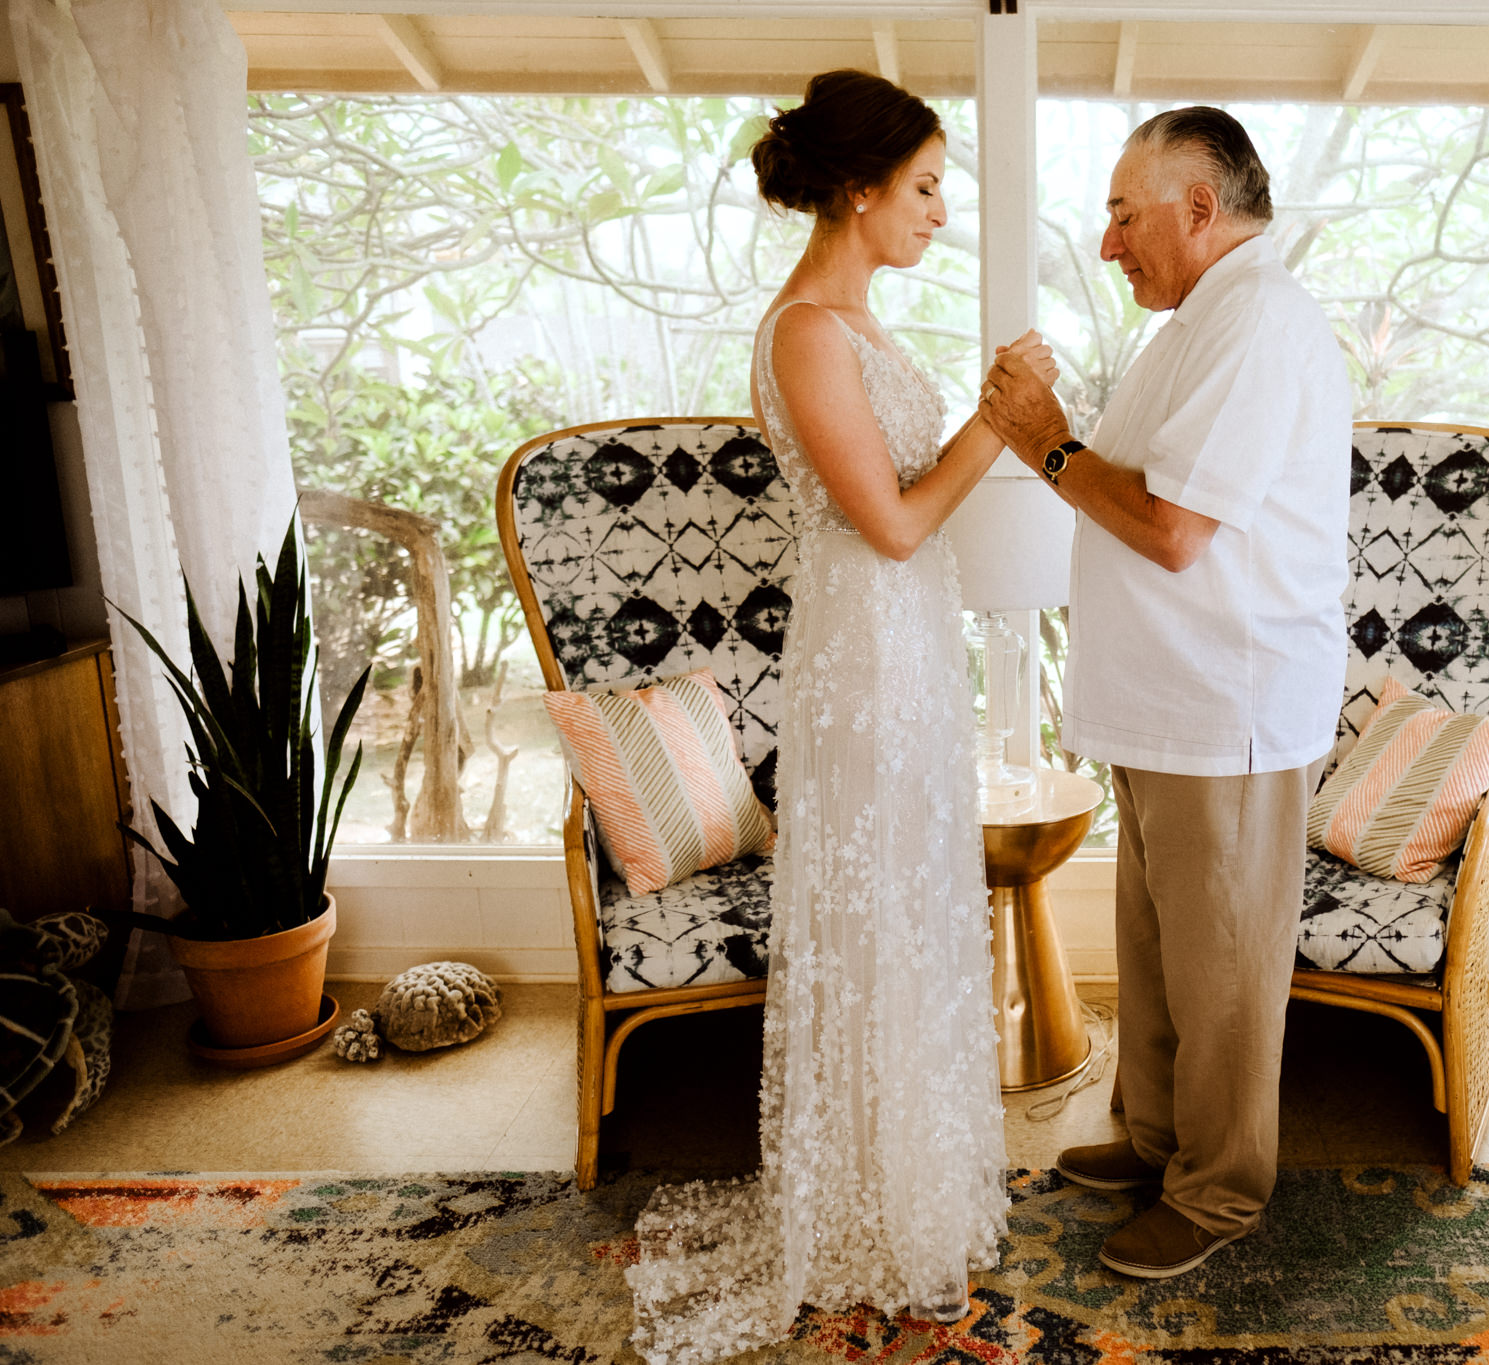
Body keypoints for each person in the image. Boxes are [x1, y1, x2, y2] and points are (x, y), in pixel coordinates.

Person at [627, 70, 1057, 1361]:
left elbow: (907, 514)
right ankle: (859, 1215)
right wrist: (999, 420)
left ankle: (904, 1192)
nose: (937, 211)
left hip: (906, 643)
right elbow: (893, 519)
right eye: (924, 187)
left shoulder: (853, 321)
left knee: (911, 911)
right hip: (865, 655)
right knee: (877, 921)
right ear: (859, 188)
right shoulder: (810, 328)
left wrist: (983, 424)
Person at [978, 106, 1353, 1280]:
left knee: (1223, 970)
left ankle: (1217, 1191)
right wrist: (1059, 443)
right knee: (1155, 952)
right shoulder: (1200, 322)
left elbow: (1174, 530)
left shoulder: (1259, 325)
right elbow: (1151, 494)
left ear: (1199, 206)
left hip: (1224, 706)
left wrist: (1044, 442)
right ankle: (1153, 1140)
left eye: (1121, 214)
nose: (1105, 245)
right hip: (1167, 702)